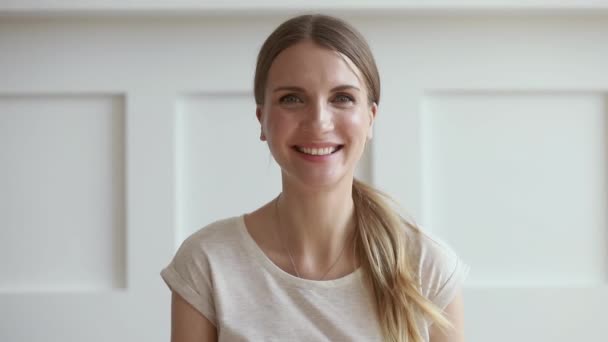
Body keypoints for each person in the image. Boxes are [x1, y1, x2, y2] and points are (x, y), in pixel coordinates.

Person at [161, 14, 469, 342]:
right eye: (292, 99)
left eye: (342, 98)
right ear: (262, 119)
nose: (319, 121)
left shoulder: (426, 268)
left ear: (370, 119)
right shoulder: (208, 263)